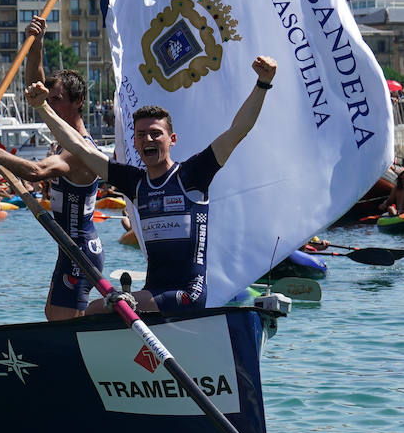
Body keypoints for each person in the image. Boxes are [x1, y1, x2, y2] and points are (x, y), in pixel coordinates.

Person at [27, 56, 278, 315]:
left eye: (156, 133)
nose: (148, 139)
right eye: (141, 135)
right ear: (134, 144)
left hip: (187, 294)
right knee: (93, 311)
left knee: (98, 311)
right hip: (152, 293)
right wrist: (43, 107)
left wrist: (263, 83)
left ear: (172, 139)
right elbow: (78, 146)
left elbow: (239, 129)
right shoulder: (135, 182)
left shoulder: (193, 174)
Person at [0, 15, 103, 321]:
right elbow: (34, 85)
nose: (50, 106)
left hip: (79, 251)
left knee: (61, 322)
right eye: (49, 100)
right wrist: (37, 43)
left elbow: (36, 171)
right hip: (68, 249)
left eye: (57, 100)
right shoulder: (61, 134)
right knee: (53, 316)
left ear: (78, 102)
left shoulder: (78, 148)